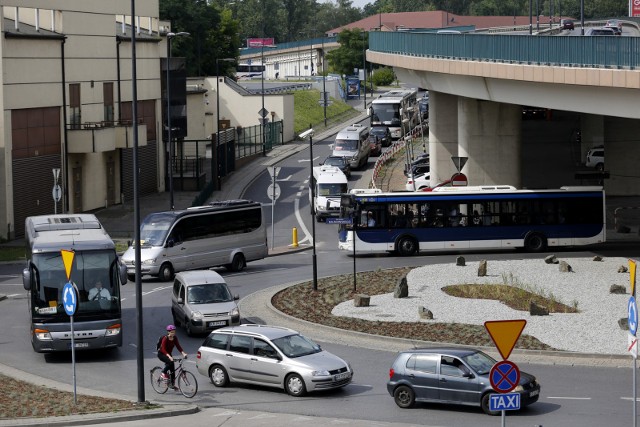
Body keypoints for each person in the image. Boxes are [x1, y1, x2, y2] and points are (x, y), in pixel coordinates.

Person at [158, 325, 188, 390]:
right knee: (170, 362)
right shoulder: (165, 338)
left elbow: (178, 346)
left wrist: (183, 353)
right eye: (172, 332)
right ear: (168, 332)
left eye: (174, 332)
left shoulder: (175, 338)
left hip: (168, 354)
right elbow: (163, 349)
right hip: (162, 354)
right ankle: (163, 373)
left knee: (172, 370)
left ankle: (172, 384)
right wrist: (169, 356)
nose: (173, 333)